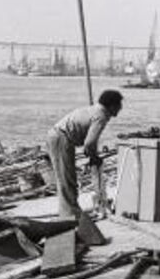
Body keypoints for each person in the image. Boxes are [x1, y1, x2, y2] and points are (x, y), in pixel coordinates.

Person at [46, 90, 123, 219]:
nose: (120, 108)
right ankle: (70, 215)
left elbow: (90, 142)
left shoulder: (94, 110)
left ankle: (70, 212)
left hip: (59, 136)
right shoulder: (101, 116)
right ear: (112, 105)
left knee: (67, 178)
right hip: (61, 138)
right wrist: (94, 157)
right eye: (119, 105)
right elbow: (89, 143)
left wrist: (92, 155)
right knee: (66, 179)